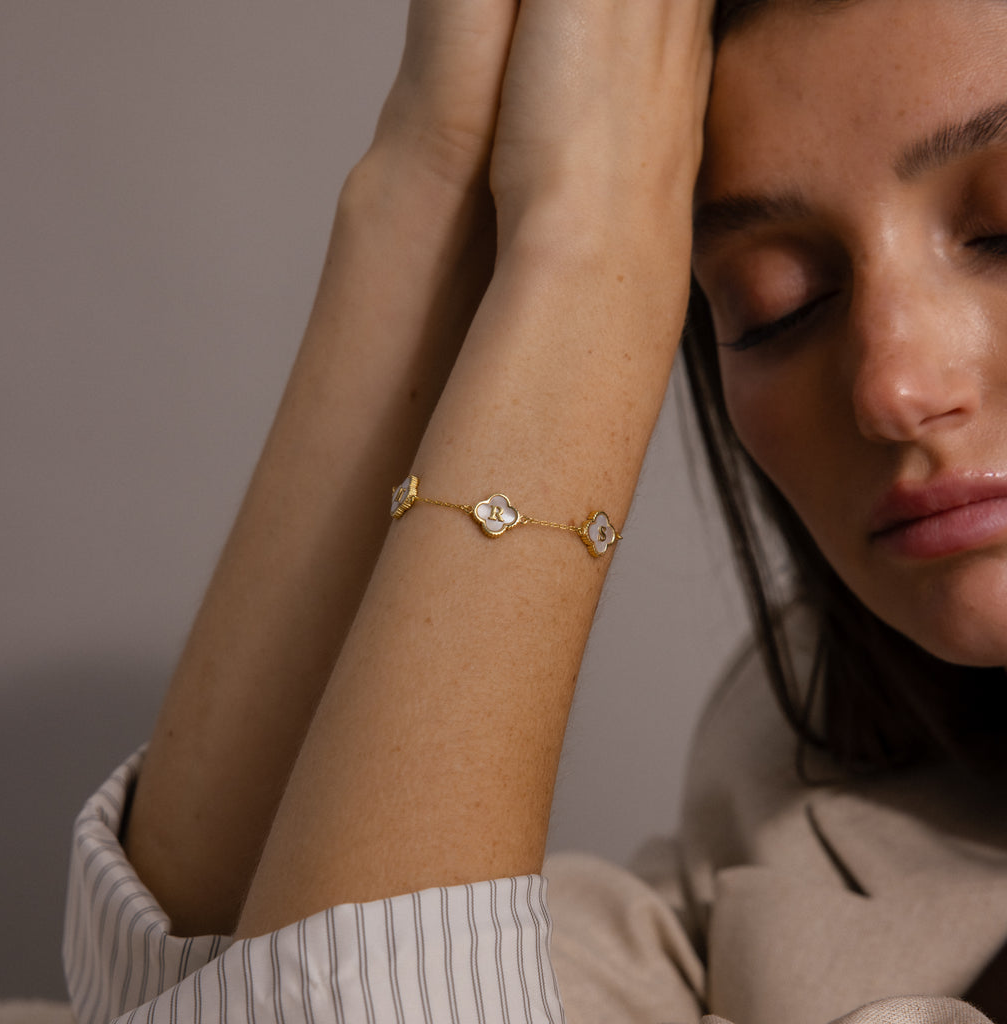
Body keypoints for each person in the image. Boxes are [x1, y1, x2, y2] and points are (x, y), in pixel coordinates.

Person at [63, 0, 1007, 1021]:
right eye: (775, 302)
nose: (894, 386)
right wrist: (435, 197)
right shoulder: (795, 796)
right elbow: (204, 992)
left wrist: (575, 271)